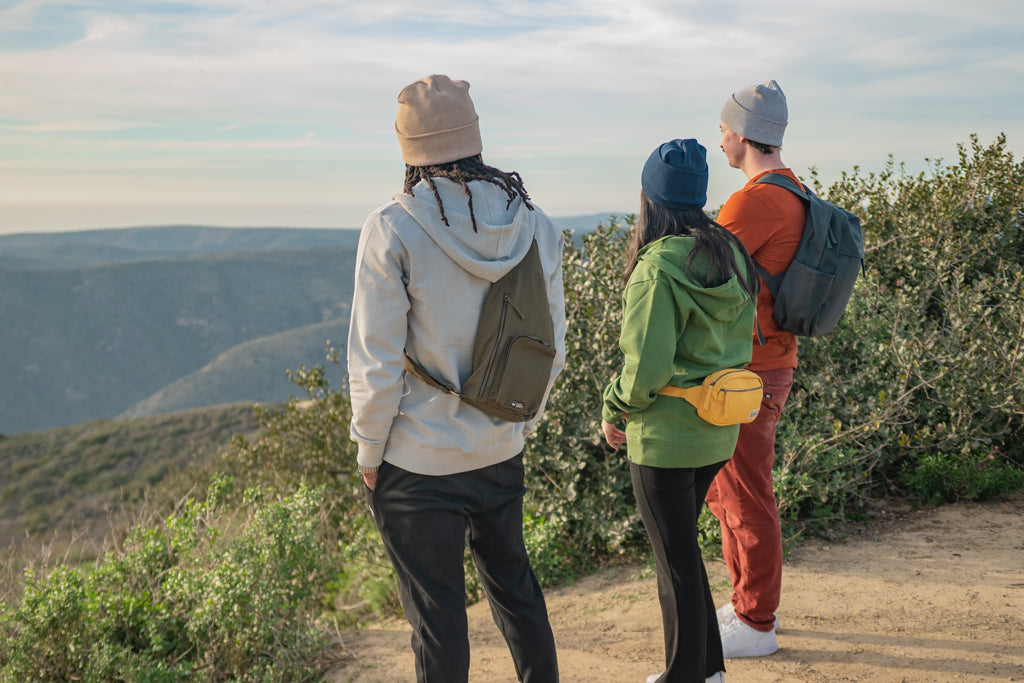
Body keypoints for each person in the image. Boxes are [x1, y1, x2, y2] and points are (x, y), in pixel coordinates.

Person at [347, 74, 565, 683]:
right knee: (517, 593)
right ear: (473, 136)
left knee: (438, 620)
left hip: (417, 462)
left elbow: (376, 359)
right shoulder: (534, 223)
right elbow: (552, 343)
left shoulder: (393, 229)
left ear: (408, 147)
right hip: (499, 447)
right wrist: (520, 420)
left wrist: (370, 451)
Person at [601, 139, 759, 683]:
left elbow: (645, 368)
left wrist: (613, 408)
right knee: (684, 556)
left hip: (666, 439)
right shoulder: (732, 253)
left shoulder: (657, 267)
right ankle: (705, 670)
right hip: (719, 433)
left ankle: (685, 676)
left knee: (675, 564)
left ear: (650, 199)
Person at [705, 79, 806, 659]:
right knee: (731, 489)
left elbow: (699, 275)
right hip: (767, 361)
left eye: (723, 130)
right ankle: (747, 604)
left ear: (742, 134)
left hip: (750, 369)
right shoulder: (791, 190)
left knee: (745, 494)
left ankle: (757, 621)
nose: (720, 141)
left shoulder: (754, 200)